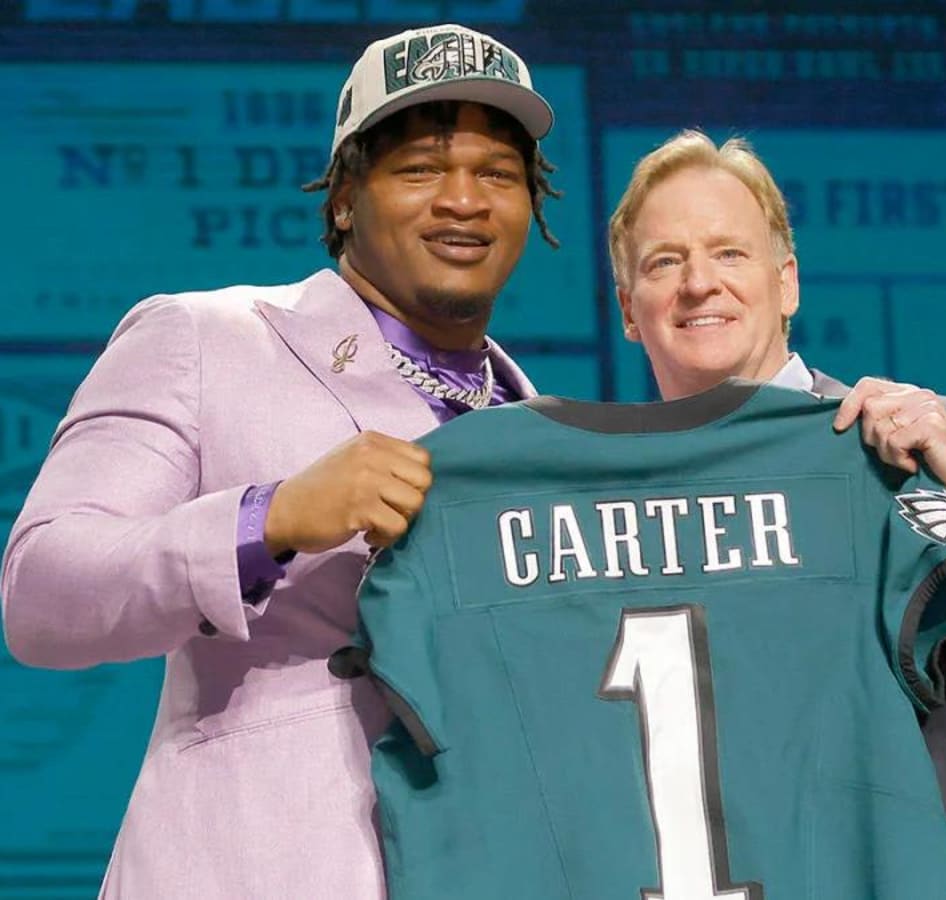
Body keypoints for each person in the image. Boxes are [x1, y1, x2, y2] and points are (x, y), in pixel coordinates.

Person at [1, 23, 558, 898]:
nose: (464, 200)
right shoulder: (203, 339)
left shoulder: (541, 432)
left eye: (497, 173)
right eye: (419, 170)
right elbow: (40, 595)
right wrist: (273, 519)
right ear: (344, 197)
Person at [607, 129, 946, 900]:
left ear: (788, 284)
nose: (698, 283)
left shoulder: (943, 446)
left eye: (729, 253)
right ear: (627, 308)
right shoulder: (602, 512)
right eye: (664, 262)